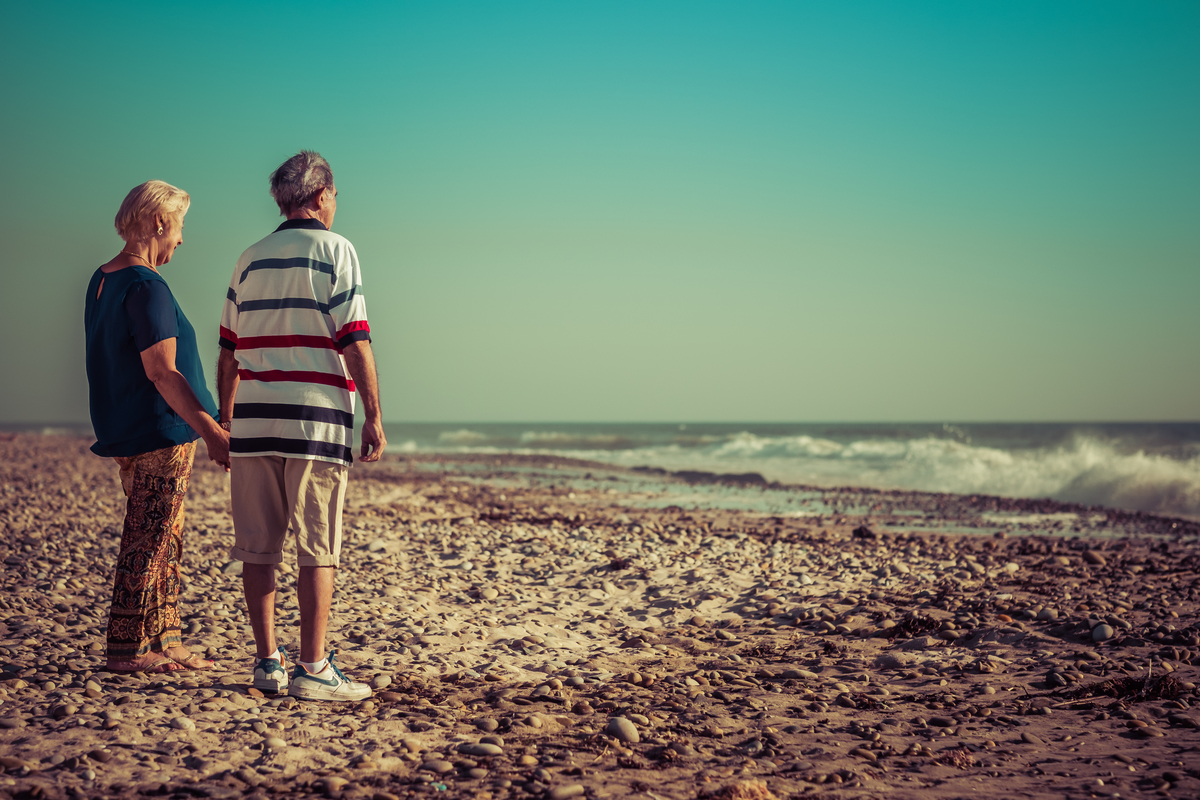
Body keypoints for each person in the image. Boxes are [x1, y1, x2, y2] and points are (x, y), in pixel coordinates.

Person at [217, 150, 386, 701]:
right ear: (320, 196)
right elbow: (354, 336)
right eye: (335, 195)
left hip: (254, 424)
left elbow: (228, 352)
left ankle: (268, 662)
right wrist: (373, 415)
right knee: (317, 545)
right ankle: (312, 668)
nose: (336, 204)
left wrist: (226, 419)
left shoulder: (248, 258)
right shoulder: (337, 250)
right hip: (315, 422)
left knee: (259, 546)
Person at [84, 180, 230, 674]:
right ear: (159, 222)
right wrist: (211, 430)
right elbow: (162, 371)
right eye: (181, 226)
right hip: (159, 429)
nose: (182, 239)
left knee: (166, 535)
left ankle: (164, 638)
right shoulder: (147, 286)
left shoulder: (104, 278)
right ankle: (126, 649)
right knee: (148, 536)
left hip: (129, 424)